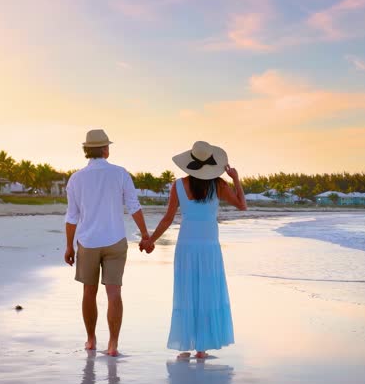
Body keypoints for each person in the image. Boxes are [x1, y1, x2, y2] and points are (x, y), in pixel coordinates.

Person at [147, 141, 246, 359]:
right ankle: (201, 349)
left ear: (191, 164)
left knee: (186, 293)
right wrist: (236, 179)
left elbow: (168, 218)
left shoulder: (178, 185)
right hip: (209, 247)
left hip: (186, 247)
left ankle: (185, 345)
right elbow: (242, 205)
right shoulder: (219, 185)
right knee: (207, 294)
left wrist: (150, 240)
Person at [64, 129, 154, 357]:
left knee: (88, 292)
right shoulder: (120, 173)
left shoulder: (76, 178)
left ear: (87, 150)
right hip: (115, 240)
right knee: (114, 293)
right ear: (105, 149)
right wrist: (145, 235)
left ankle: (91, 339)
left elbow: (72, 216)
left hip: (88, 242)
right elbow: (134, 206)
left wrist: (69, 246)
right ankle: (113, 345)